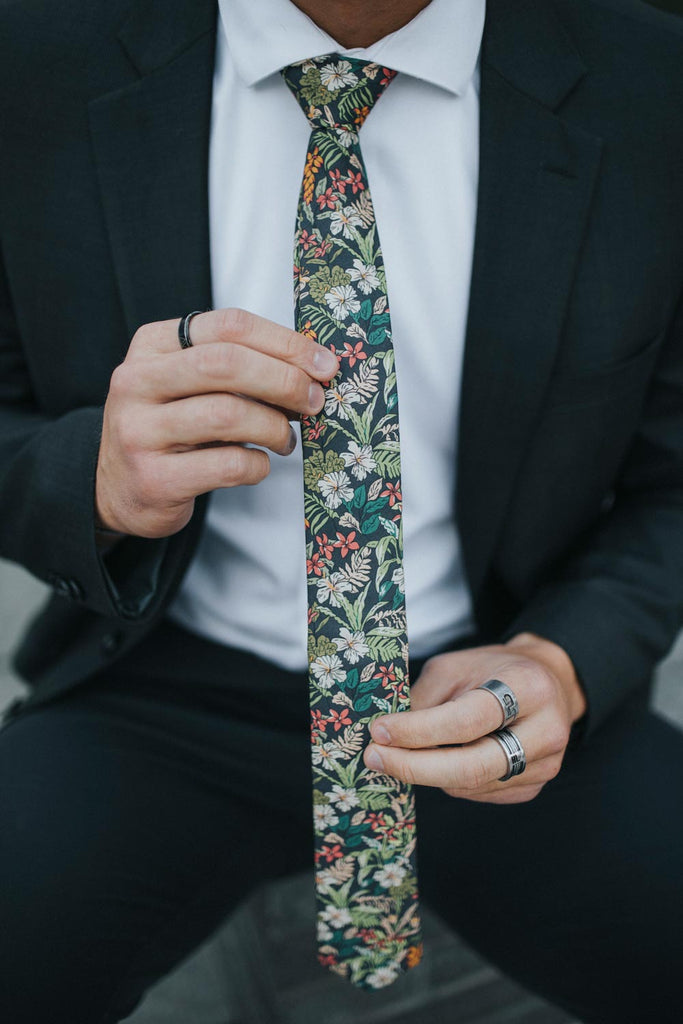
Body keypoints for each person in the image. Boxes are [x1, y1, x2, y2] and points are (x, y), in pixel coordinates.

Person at [1, 0, 682, 1020]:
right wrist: (89, 476)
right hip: (158, 682)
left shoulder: (652, 82)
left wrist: (562, 660)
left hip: (492, 675)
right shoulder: (31, 55)